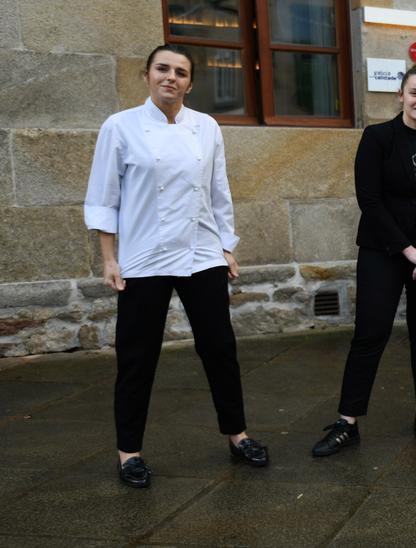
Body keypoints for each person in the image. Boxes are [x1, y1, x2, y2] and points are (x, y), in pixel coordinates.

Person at [84, 44, 269, 488]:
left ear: (190, 82)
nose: (171, 77)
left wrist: (226, 245)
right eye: (163, 69)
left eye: (181, 72)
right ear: (146, 75)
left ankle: (237, 435)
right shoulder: (120, 127)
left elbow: (218, 191)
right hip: (145, 257)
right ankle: (129, 453)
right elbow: (103, 197)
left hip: (201, 252)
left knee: (220, 349)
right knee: (137, 356)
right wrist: (110, 258)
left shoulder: (206, 127)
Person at [311, 62, 416, 457]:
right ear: (401, 95)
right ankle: (348, 422)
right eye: (414, 93)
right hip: (383, 251)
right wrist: (408, 250)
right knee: (370, 333)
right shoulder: (377, 138)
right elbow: (371, 201)